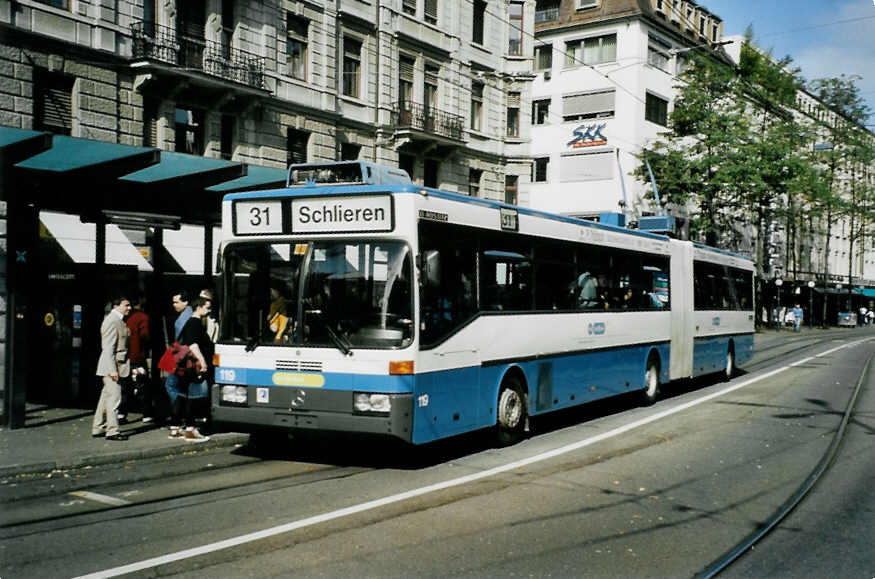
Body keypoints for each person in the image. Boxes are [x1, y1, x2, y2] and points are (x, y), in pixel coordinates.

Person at [168, 296, 212, 442]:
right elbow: (193, 345)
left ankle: (174, 428)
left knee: (181, 395)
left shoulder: (189, 322)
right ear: (199, 307)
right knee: (195, 396)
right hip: (193, 366)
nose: (209, 310)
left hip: (184, 365)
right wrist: (203, 361)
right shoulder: (195, 323)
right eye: (207, 307)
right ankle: (190, 429)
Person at [92, 296, 131, 441]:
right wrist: (112, 369)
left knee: (106, 397)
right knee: (114, 398)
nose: (129, 308)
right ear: (116, 306)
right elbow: (108, 347)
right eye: (126, 305)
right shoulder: (112, 321)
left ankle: (98, 427)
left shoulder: (117, 320)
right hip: (113, 366)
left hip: (116, 365)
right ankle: (112, 431)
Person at [125, 293, 153, 422]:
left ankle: (122, 412)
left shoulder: (126, 317)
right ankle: (146, 412)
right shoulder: (143, 317)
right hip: (138, 355)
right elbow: (145, 336)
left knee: (126, 384)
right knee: (143, 384)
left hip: (126, 355)